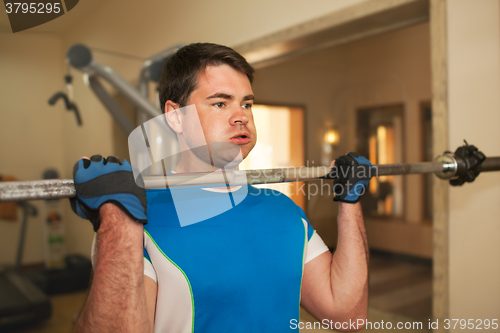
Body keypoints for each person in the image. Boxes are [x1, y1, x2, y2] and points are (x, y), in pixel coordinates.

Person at [70, 43, 372, 333]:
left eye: (246, 103)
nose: (241, 116)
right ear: (175, 116)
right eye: (220, 102)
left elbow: (347, 314)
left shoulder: (284, 210)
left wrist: (350, 200)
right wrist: (115, 222)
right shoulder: (134, 218)